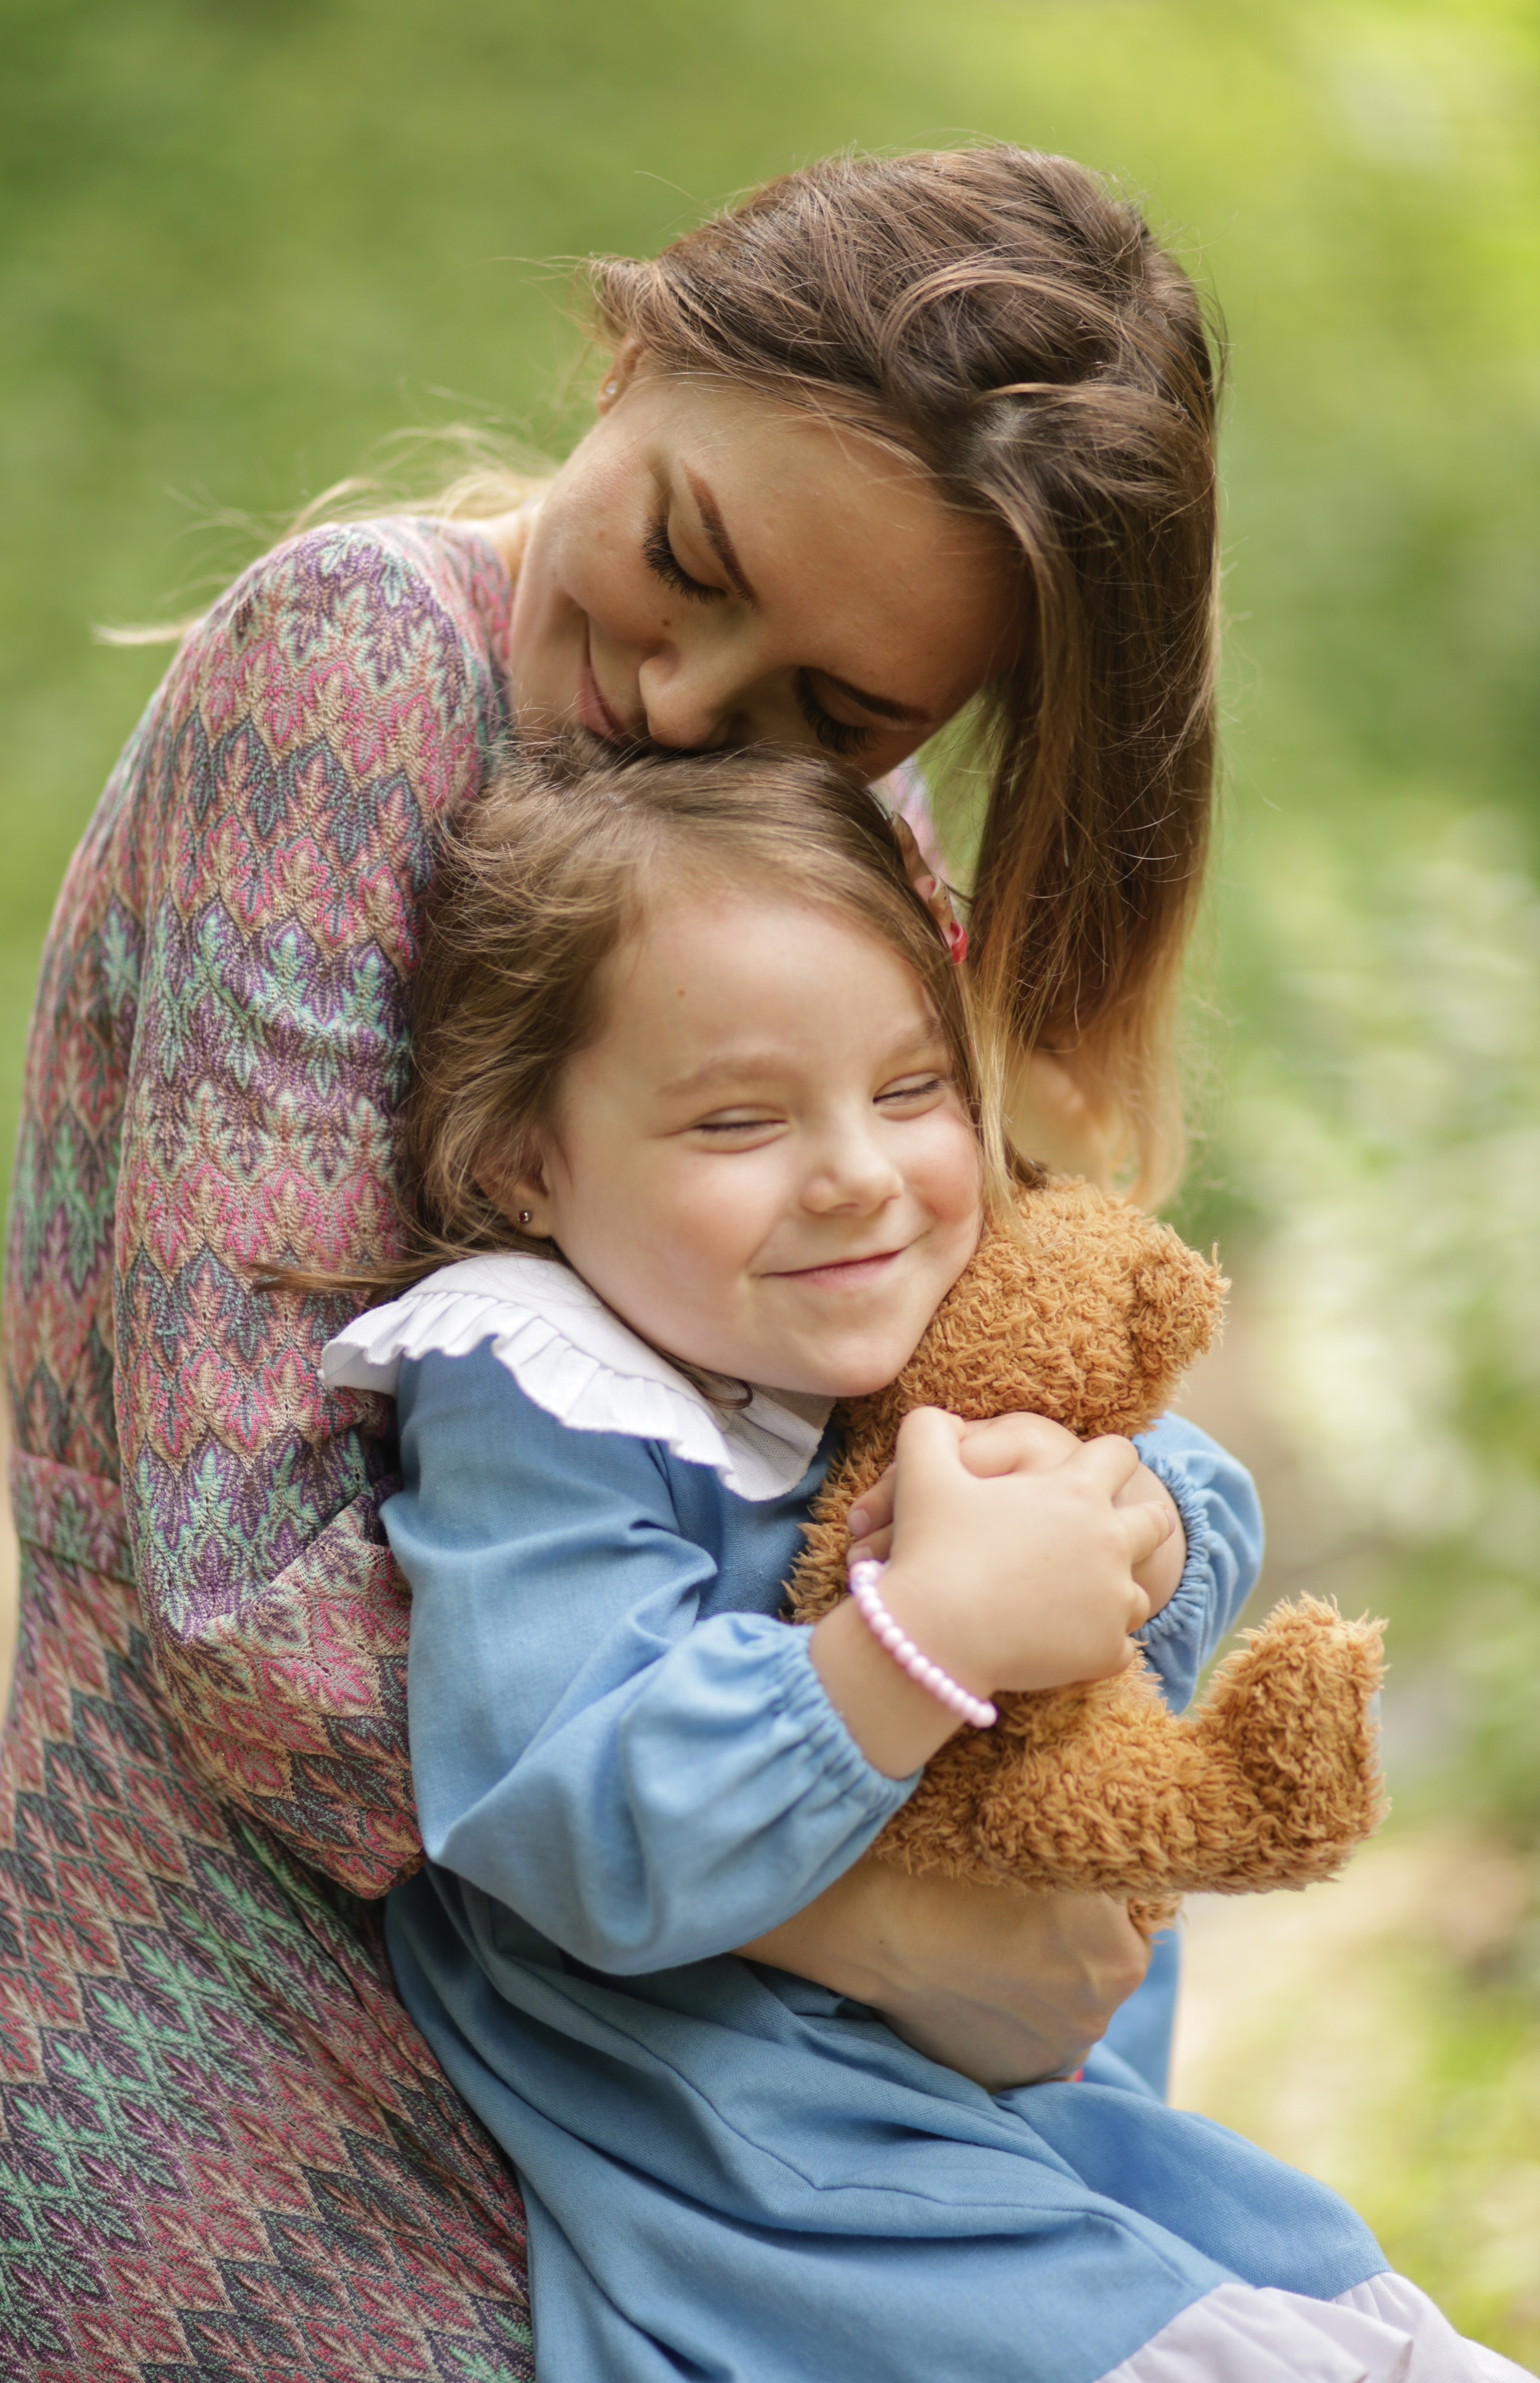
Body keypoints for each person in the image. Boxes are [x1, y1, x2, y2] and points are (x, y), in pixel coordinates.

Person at [0, 148, 1237, 2376]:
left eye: (839, 715)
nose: (683, 701)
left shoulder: (833, 840)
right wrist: (875, 1924)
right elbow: (243, 1579)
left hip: (706, 2086)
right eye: (686, 559)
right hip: (267, 2037)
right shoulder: (362, 661)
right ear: (639, 347)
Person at [321, 739, 1523, 2383]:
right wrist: (919, 1635)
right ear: (528, 1161)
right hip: (800, 2198)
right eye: (739, 1116)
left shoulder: (890, 1296)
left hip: (1060, 2126)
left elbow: (1185, 1511)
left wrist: (1133, 1522)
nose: (857, 1174)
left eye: (910, 1091)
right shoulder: (546, 1396)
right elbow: (571, 1812)